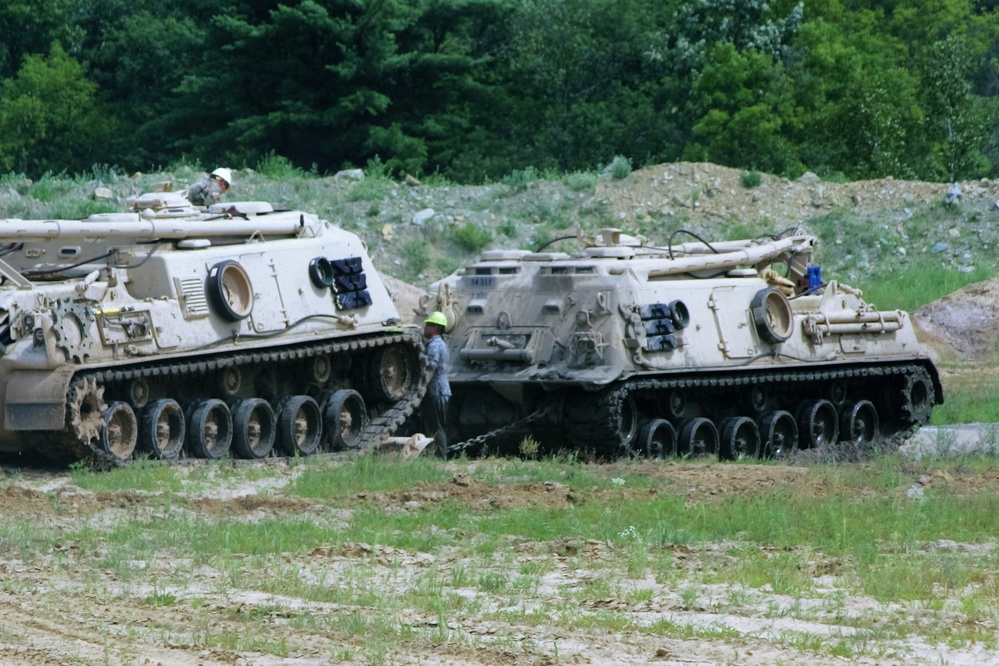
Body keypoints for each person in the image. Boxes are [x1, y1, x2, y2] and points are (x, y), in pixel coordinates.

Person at [421, 311, 451, 458]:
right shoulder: (441, 344)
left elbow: (431, 367)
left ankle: (440, 458)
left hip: (436, 391)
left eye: (427, 325)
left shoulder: (434, 345)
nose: (424, 328)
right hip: (442, 390)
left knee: (436, 426)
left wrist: (421, 386)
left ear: (434, 328)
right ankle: (437, 456)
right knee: (438, 426)